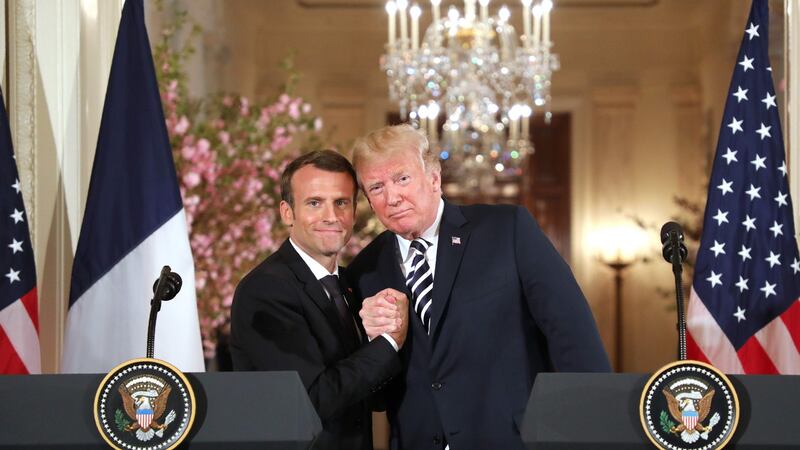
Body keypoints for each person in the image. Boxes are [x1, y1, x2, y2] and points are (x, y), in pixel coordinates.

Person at [348, 125, 611, 450]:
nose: (392, 197)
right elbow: (376, 399)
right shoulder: (364, 272)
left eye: (402, 178)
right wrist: (378, 344)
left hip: (514, 440)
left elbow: (573, 334)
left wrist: (595, 431)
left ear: (433, 177)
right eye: (376, 187)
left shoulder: (508, 230)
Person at [230, 149, 409, 450]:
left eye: (341, 203)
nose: (331, 216)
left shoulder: (349, 283)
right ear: (288, 213)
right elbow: (312, 400)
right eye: (315, 203)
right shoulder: (265, 290)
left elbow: (367, 390)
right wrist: (389, 342)